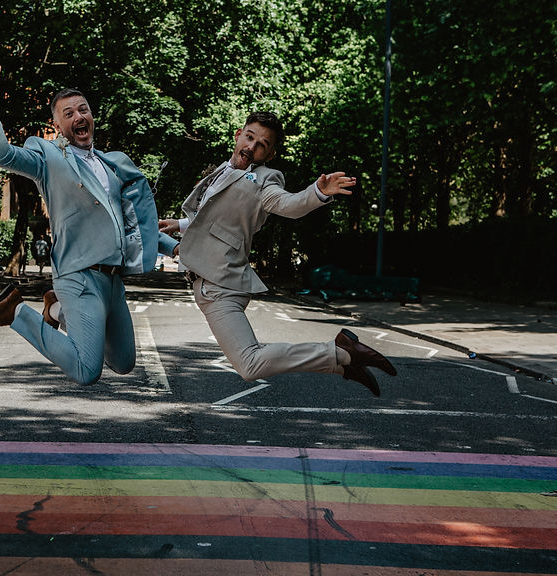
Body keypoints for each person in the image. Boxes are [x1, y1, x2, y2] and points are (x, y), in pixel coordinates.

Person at [0, 54, 178, 385]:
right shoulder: (49, 158)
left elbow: (136, 225)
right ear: (58, 126)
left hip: (112, 280)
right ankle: (15, 311)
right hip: (78, 275)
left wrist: (173, 248)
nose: (79, 116)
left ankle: (56, 311)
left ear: (92, 116)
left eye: (84, 110)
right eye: (69, 113)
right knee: (86, 370)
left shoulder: (113, 165)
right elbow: (2, 154)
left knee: (123, 362)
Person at [161, 111, 397, 395]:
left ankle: (340, 352)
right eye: (249, 137)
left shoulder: (264, 180)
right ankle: (342, 365)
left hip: (219, 285)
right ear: (238, 135)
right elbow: (216, 220)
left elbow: (290, 204)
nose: (251, 146)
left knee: (249, 364)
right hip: (212, 282)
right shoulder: (224, 171)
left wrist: (318, 192)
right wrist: (180, 224)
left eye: (261, 144)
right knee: (249, 362)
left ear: (269, 154)